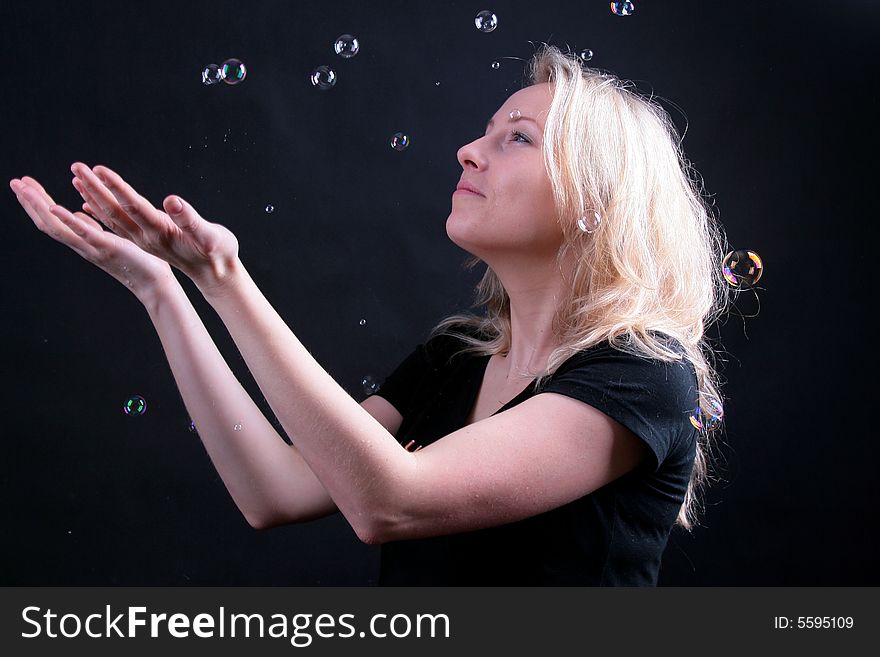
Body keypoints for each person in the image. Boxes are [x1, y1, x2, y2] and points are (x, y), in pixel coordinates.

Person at [9, 44, 727, 586]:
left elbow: (389, 499)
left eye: (517, 138)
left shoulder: (644, 376)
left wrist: (225, 279)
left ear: (597, 197)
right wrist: (163, 290)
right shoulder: (456, 359)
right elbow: (276, 489)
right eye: (487, 130)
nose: (469, 151)